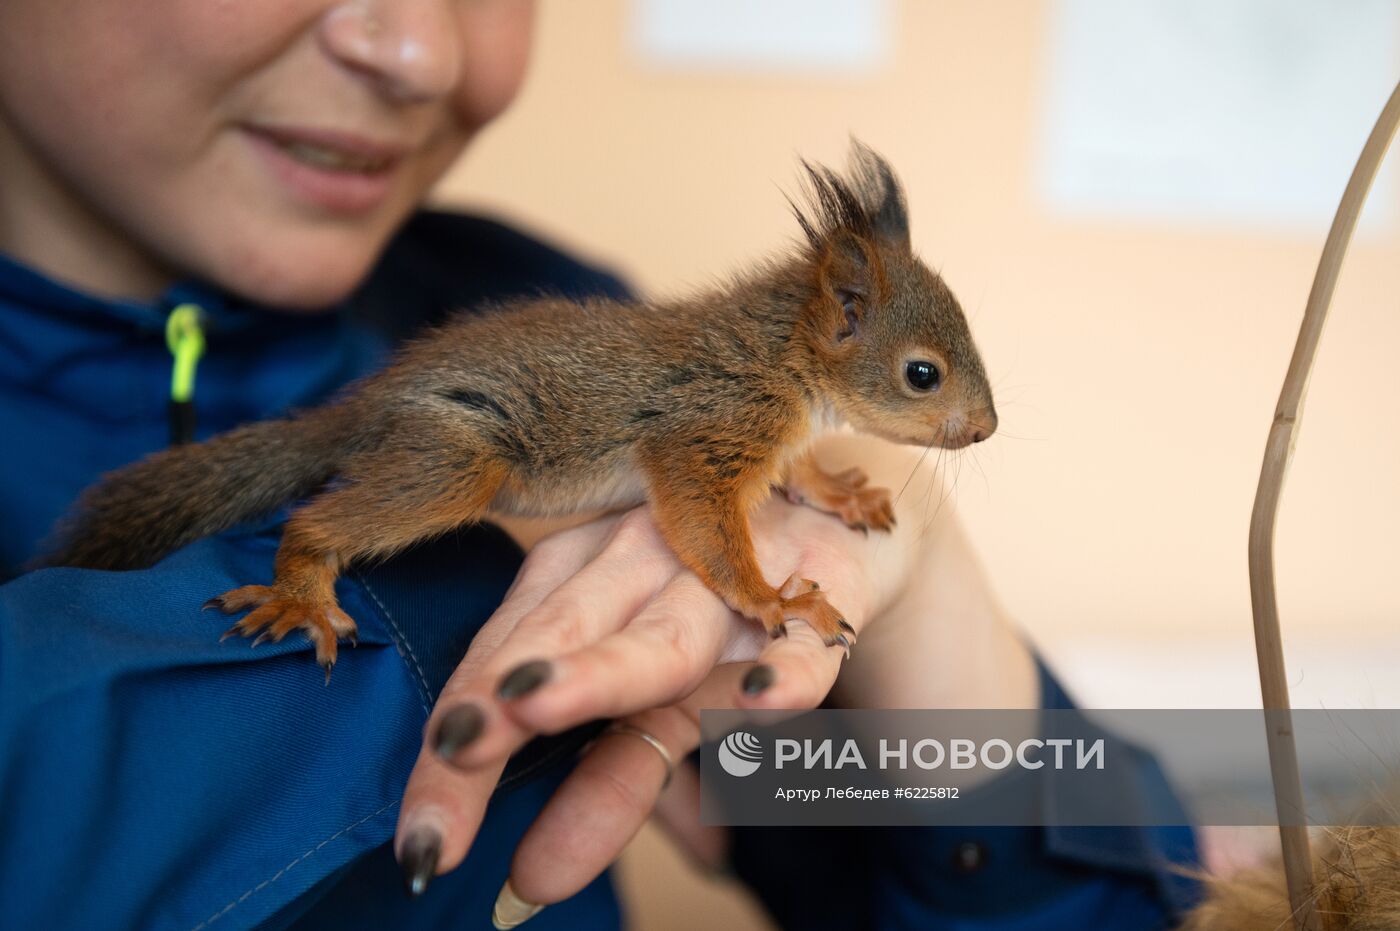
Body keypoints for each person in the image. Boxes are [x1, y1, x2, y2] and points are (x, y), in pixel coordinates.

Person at [0, 1, 1200, 928]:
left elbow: (1050, 889)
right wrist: (741, 589)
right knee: (456, 477)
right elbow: (694, 481)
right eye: (928, 388)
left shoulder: (580, 303)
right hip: (476, 441)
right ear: (834, 321)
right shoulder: (713, 386)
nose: (416, 48)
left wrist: (942, 651)